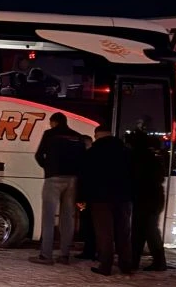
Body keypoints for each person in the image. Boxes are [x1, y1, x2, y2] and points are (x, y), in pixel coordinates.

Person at [30, 112, 85, 264]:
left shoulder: (50, 134)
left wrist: (48, 168)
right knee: (67, 217)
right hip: (73, 179)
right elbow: (83, 160)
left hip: (53, 178)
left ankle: (46, 255)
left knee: (48, 217)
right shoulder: (77, 136)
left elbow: (39, 155)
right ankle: (65, 255)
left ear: (54, 122)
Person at [80, 123, 135, 276]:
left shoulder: (92, 153)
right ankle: (126, 265)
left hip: (100, 199)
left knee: (105, 233)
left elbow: (85, 176)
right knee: (123, 232)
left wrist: (83, 197)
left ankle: (106, 265)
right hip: (123, 198)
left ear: (96, 135)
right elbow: (134, 175)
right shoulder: (126, 152)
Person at [128, 130, 167, 271]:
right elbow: (160, 177)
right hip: (155, 197)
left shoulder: (136, 157)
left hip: (143, 198)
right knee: (150, 229)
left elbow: (134, 178)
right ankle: (158, 261)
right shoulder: (153, 157)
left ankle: (135, 261)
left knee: (141, 230)